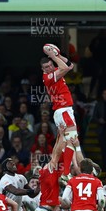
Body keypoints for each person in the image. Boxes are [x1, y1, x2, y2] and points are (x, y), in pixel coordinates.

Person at [41, 45, 77, 181]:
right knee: (72, 138)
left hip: (64, 110)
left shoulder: (55, 70)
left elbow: (70, 65)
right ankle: (65, 171)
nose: (49, 68)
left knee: (66, 139)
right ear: (43, 70)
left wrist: (58, 55)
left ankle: (56, 166)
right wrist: (53, 56)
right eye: (46, 67)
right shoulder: (48, 77)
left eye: (50, 65)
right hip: (62, 109)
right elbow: (65, 68)